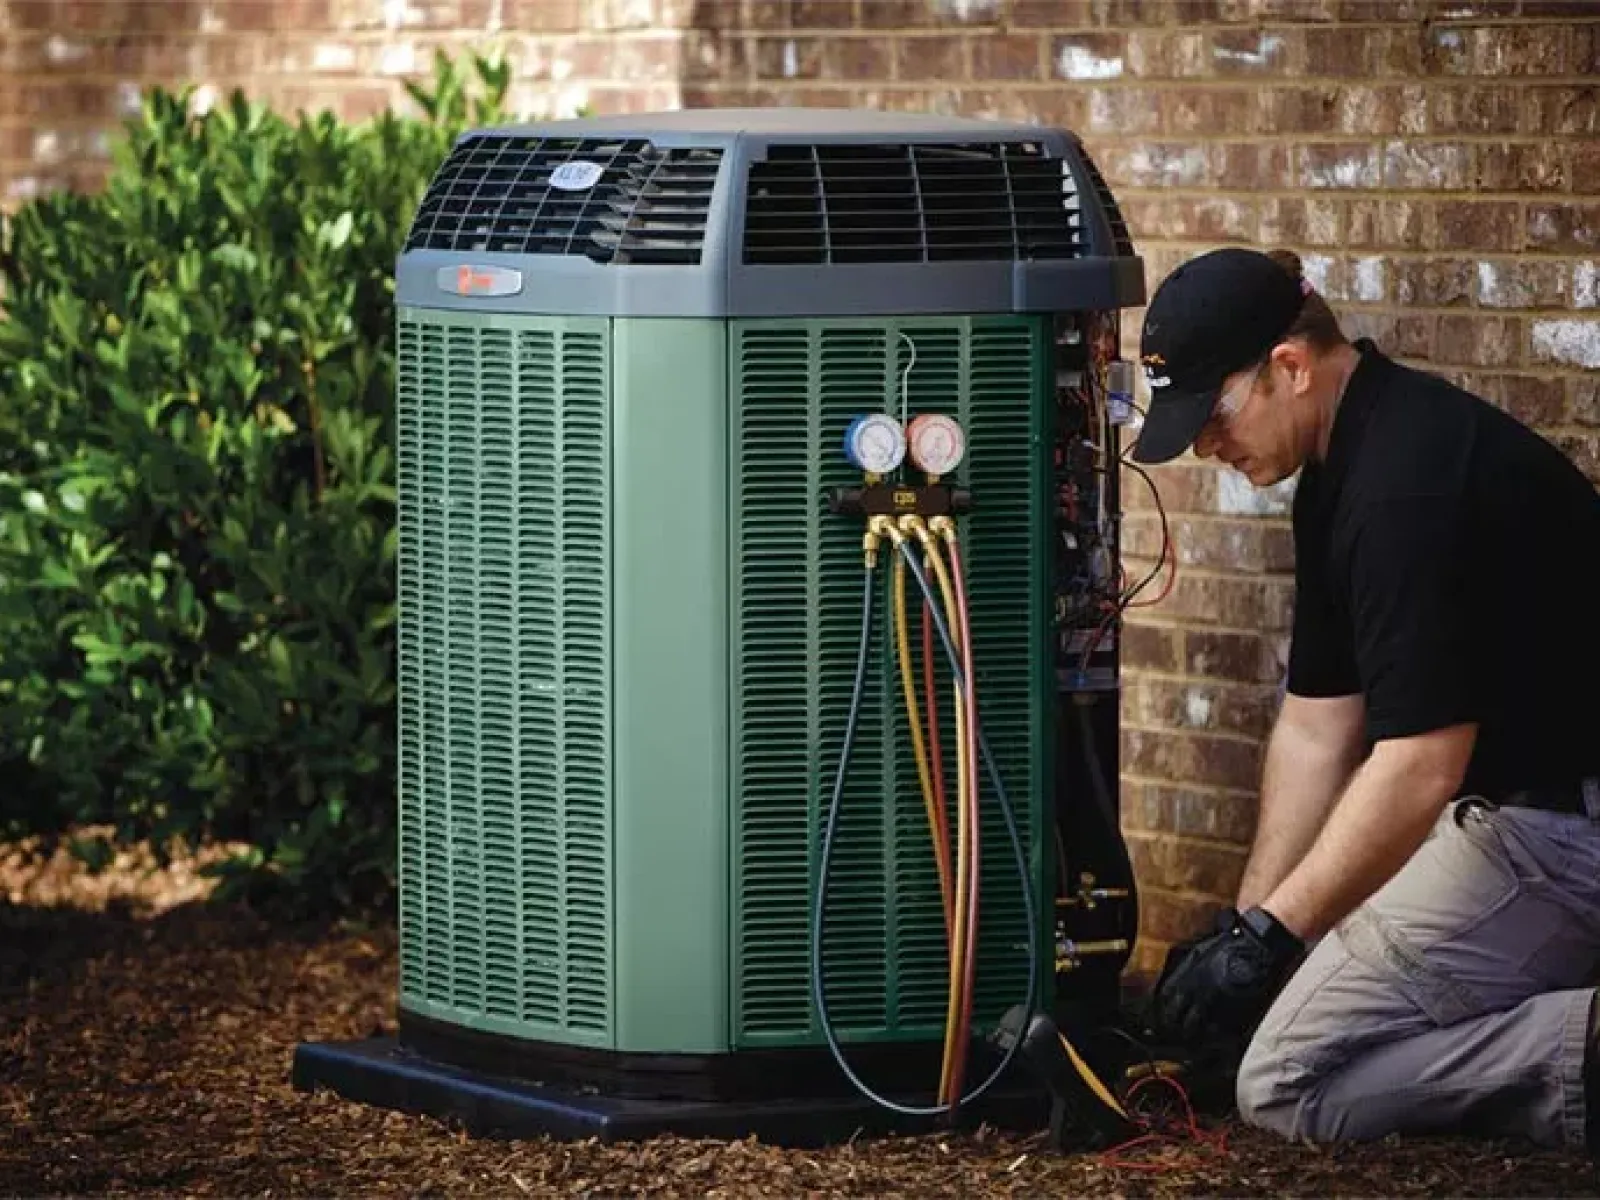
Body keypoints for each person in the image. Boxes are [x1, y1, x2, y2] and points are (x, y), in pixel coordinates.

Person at [1127, 245, 1600, 1153]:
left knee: (1285, 1084)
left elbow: (1421, 766)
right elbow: (1317, 726)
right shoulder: (1347, 462)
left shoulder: (1402, 489)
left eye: (1212, 417)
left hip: (1561, 836)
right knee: (1280, 1039)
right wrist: (1248, 937)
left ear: (1290, 368)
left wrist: (1272, 938)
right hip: (1513, 822)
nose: (1205, 447)